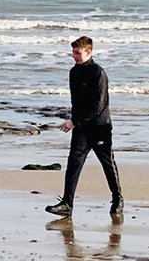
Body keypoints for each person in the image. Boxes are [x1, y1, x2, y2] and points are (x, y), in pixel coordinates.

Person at [45, 35, 123, 218]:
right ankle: (67, 204)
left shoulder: (98, 73)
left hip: (100, 127)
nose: (74, 55)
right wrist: (75, 121)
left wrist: (74, 122)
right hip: (81, 128)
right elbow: (76, 102)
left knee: (107, 164)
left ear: (89, 52)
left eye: (78, 53)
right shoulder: (74, 72)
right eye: (73, 52)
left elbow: (97, 106)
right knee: (73, 163)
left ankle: (118, 199)